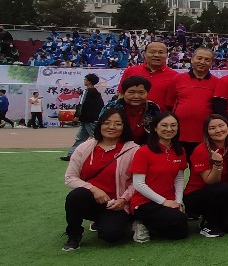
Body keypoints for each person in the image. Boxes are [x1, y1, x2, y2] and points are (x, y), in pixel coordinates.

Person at [61, 108, 140, 250]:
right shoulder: (85, 147)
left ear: (124, 127)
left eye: (118, 124)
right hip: (91, 200)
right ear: (100, 125)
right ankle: (74, 235)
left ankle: (115, 222)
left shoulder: (133, 150)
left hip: (116, 204)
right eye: (107, 123)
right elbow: (70, 177)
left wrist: (123, 200)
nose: (112, 127)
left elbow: (138, 182)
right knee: (76, 196)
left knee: (111, 236)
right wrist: (94, 189)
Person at [127, 112, 191, 241]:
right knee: (179, 219)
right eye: (164, 125)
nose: (169, 129)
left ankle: (148, 225)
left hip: (169, 201)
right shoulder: (143, 152)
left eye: (173, 125)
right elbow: (139, 184)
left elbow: (179, 178)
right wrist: (164, 202)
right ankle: (140, 223)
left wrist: (178, 202)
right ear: (155, 128)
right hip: (144, 202)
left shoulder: (180, 151)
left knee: (181, 233)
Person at [183, 115, 228, 238]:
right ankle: (209, 224)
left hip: (223, 194)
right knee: (221, 187)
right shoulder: (200, 150)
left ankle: (215, 217)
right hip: (197, 195)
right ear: (207, 132)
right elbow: (211, 181)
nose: (218, 130)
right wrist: (218, 164)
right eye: (212, 128)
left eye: (221, 126)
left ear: (227, 127)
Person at [166, 47, 217, 155]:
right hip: (179, 134)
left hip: (205, 135)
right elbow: (169, 105)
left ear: (212, 63)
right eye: (199, 58)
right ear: (192, 59)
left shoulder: (218, 83)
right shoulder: (177, 79)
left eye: (207, 60)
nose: (202, 62)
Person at [99, 75, 160, 145]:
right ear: (124, 93)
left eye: (141, 92)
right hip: (115, 145)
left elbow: (157, 132)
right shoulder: (111, 108)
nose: (136, 96)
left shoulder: (152, 108)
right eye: (131, 92)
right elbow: (101, 130)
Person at [121, 41, 176, 109]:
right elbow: (121, 94)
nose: (156, 55)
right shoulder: (130, 71)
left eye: (161, 52)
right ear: (144, 54)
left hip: (162, 115)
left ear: (167, 55)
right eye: (152, 52)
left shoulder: (175, 76)